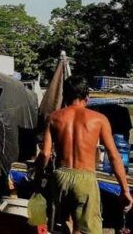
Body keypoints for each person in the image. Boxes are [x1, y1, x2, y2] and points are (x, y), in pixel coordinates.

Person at [40, 77, 133, 233]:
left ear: (65, 96)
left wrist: (37, 182)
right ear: (87, 97)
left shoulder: (54, 117)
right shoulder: (99, 119)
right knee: (88, 228)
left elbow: (45, 154)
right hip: (85, 178)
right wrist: (124, 190)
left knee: (63, 225)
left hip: (60, 177)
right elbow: (114, 156)